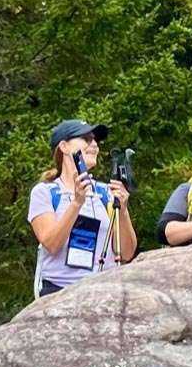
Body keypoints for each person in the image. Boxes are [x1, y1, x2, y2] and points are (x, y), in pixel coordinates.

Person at [28, 119, 137, 297]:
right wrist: (76, 203)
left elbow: (126, 253)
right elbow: (52, 244)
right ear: (63, 146)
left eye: (95, 140)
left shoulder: (105, 193)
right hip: (59, 291)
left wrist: (123, 211)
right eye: (86, 139)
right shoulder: (45, 192)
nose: (94, 145)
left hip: (103, 290)